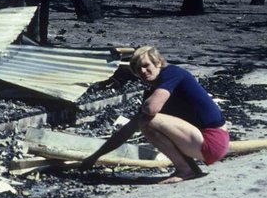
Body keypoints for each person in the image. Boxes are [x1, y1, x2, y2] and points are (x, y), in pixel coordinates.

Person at [78, 45, 230, 184]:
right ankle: (192, 169)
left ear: (158, 62)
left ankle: (185, 170)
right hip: (201, 141)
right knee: (144, 121)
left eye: (146, 66)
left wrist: (144, 111)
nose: (143, 72)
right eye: (138, 69)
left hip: (213, 140)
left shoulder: (172, 73)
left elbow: (150, 109)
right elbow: (127, 130)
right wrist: (95, 157)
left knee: (147, 120)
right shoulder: (155, 91)